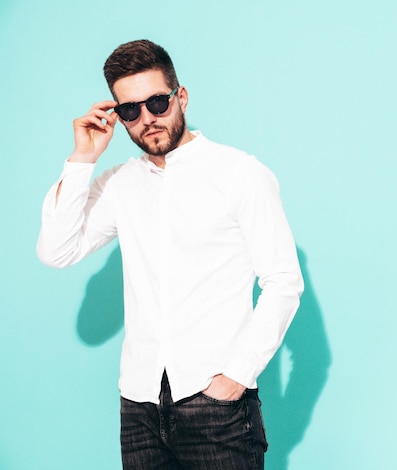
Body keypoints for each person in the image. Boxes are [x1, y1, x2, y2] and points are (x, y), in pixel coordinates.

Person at [36, 39, 303, 470]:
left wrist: (236, 375)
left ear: (181, 97)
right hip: (139, 406)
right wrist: (82, 158)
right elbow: (56, 250)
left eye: (157, 102)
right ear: (118, 116)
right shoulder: (120, 183)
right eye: (130, 110)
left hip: (215, 405)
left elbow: (284, 283)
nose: (147, 119)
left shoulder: (239, 173)